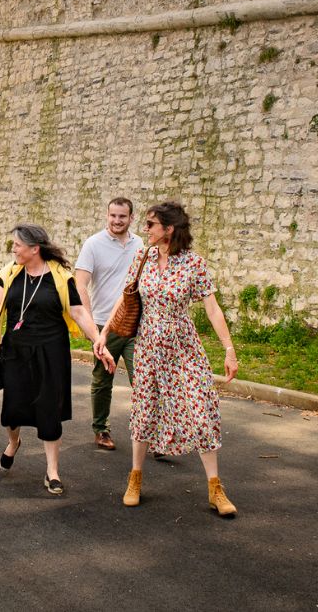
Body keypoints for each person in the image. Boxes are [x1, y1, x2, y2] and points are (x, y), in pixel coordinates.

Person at [98, 201, 241, 517]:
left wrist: (229, 350)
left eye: (150, 224)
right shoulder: (143, 257)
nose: (145, 229)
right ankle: (135, 478)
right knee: (145, 412)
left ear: (169, 229)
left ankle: (215, 488)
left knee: (202, 411)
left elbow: (213, 309)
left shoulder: (194, 264)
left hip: (184, 348)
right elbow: (126, 298)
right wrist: (103, 334)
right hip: (148, 348)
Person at [0, 224, 110, 496]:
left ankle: (52, 472)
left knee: (49, 409)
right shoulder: (10, 274)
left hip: (51, 352)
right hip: (15, 351)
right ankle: (13, 443)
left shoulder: (62, 277)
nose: (13, 249)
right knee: (13, 409)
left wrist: (97, 340)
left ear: (34, 248)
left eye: (17, 245)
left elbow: (79, 313)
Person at [74, 197, 144, 451]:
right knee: (103, 380)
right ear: (107, 215)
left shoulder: (140, 244)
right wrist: (91, 326)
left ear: (131, 218)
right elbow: (80, 285)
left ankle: (148, 432)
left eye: (122, 216)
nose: (117, 221)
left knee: (145, 380)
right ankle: (101, 429)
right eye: (113, 216)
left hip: (136, 324)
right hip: (105, 325)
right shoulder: (93, 244)